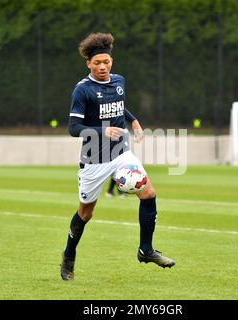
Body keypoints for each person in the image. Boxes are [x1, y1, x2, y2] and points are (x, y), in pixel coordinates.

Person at [60, 32, 175, 281]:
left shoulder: (119, 81)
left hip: (121, 153)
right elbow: (73, 128)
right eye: (97, 63)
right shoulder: (82, 91)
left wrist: (133, 122)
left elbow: (119, 106)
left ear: (112, 62)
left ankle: (145, 250)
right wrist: (103, 130)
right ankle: (69, 254)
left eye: (107, 62)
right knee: (85, 213)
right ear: (88, 64)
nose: (103, 67)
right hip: (93, 160)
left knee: (149, 193)